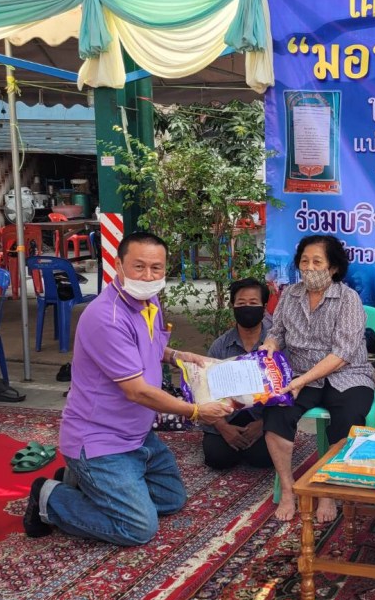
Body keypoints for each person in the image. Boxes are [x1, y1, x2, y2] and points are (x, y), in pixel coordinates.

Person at [22, 232, 232, 545]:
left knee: (171, 500)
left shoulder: (149, 301)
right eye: (139, 266)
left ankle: (80, 482)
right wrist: (196, 411)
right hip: (100, 438)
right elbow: (137, 391)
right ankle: (49, 497)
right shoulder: (106, 317)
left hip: (137, 434)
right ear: (118, 265)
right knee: (138, 528)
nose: (148, 276)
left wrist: (178, 356)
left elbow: (148, 346)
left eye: (156, 268)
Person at [262, 235, 375, 523]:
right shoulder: (290, 294)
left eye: (317, 262)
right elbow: (277, 332)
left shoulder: (348, 299)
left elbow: (342, 354)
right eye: (304, 261)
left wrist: (301, 382)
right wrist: (270, 345)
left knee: (348, 415)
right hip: (299, 374)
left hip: (347, 375)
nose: (309, 268)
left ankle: (327, 489)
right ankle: (288, 489)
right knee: (276, 411)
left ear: (333, 267)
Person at [201, 277, 274, 471]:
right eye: (241, 303)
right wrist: (223, 428)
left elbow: (289, 389)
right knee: (217, 459)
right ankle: (232, 442)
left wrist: (263, 424)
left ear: (264, 307)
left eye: (253, 303)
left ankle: (254, 444)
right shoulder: (220, 346)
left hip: (264, 416)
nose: (247, 308)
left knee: (263, 459)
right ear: (233, 306)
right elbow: (204, 392)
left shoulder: (276, 344)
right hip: (228, 416)